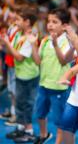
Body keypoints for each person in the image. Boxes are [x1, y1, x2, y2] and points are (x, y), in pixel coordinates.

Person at [28, 8, 72, 144]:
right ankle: (44, 134)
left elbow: (63, 60)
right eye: (49, 21)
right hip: (43, 85)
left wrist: (56, 45)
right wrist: (33, 46)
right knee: (40, 113)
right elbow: (38, 62)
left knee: (59, 120)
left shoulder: (67, 42)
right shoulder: (45, 41)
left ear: (64, 26)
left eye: (55, 22)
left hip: (58, 88)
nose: (50, 25)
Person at [0, 7, 39, 143]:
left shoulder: (30, 38)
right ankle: (21, 127)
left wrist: (6, 44)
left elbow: (19, 57)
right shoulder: (18, 35)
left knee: (26, 104)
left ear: (27, 22)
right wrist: (6, 46)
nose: (15, 22)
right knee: (20, 103)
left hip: (29, 77)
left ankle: (29, 131)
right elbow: (12, 52)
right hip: (20, 75)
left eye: (18, 19)